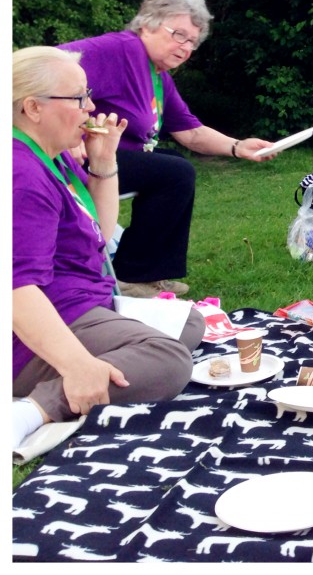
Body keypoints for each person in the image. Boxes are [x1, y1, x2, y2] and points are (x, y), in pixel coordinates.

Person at [12, 47, 206, 452]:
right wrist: (76, 366)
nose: (91, 107)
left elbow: (98, 232)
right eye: (79, 97)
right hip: (33, 332)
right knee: (169, 360)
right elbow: (15, 292)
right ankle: (33, 408)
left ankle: (99, 362)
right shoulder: (20, 173)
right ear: (32, 107)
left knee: (189, 322)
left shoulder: (49, 155)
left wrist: (103, 162)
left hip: (78, 301)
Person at [60, 0, 277, 298]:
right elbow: (47, 68)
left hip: (114, 156)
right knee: (174, 173)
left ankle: (150, 271)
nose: (186, 47)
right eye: (179, 35)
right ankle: (133, 276)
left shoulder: (157, 75)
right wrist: (70, 131)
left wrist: (237, 146)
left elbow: (191, 133)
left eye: (192, 42)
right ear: (147, 24)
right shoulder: (117, 49)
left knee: (175, 164)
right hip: (82, 160)